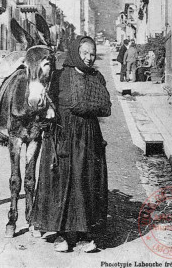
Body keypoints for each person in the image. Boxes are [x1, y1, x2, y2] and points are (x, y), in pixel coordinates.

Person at [30, 36, 112, 253]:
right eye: (84, 52)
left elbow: (105, 106)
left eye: (92, 54)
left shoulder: (97, 77)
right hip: (63, 135)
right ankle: (62, 234)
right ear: (76, 52)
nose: (88, 57)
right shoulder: (60, 76)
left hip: (89, 137)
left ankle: (85, 234)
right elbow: (44, 103)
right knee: (62, 182)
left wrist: (83, 107)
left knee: (86, 182)